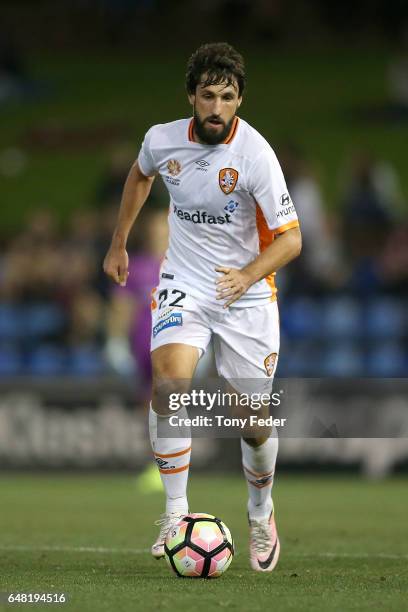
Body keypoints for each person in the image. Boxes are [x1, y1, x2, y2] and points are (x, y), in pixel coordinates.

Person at [103, 42, 301, 572]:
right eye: (208, 95)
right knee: (169, 382)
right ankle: (175, 514)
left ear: (240, 100)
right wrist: (119, 241)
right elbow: (141, 175)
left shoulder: (256, 155)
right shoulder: (162, 140)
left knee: (253, 420)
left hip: (249, 292)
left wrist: (246, 275)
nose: (217, 107)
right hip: (185, 281)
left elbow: (291, 240)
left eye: (228, 97)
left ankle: (261, 511)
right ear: (191, 96)